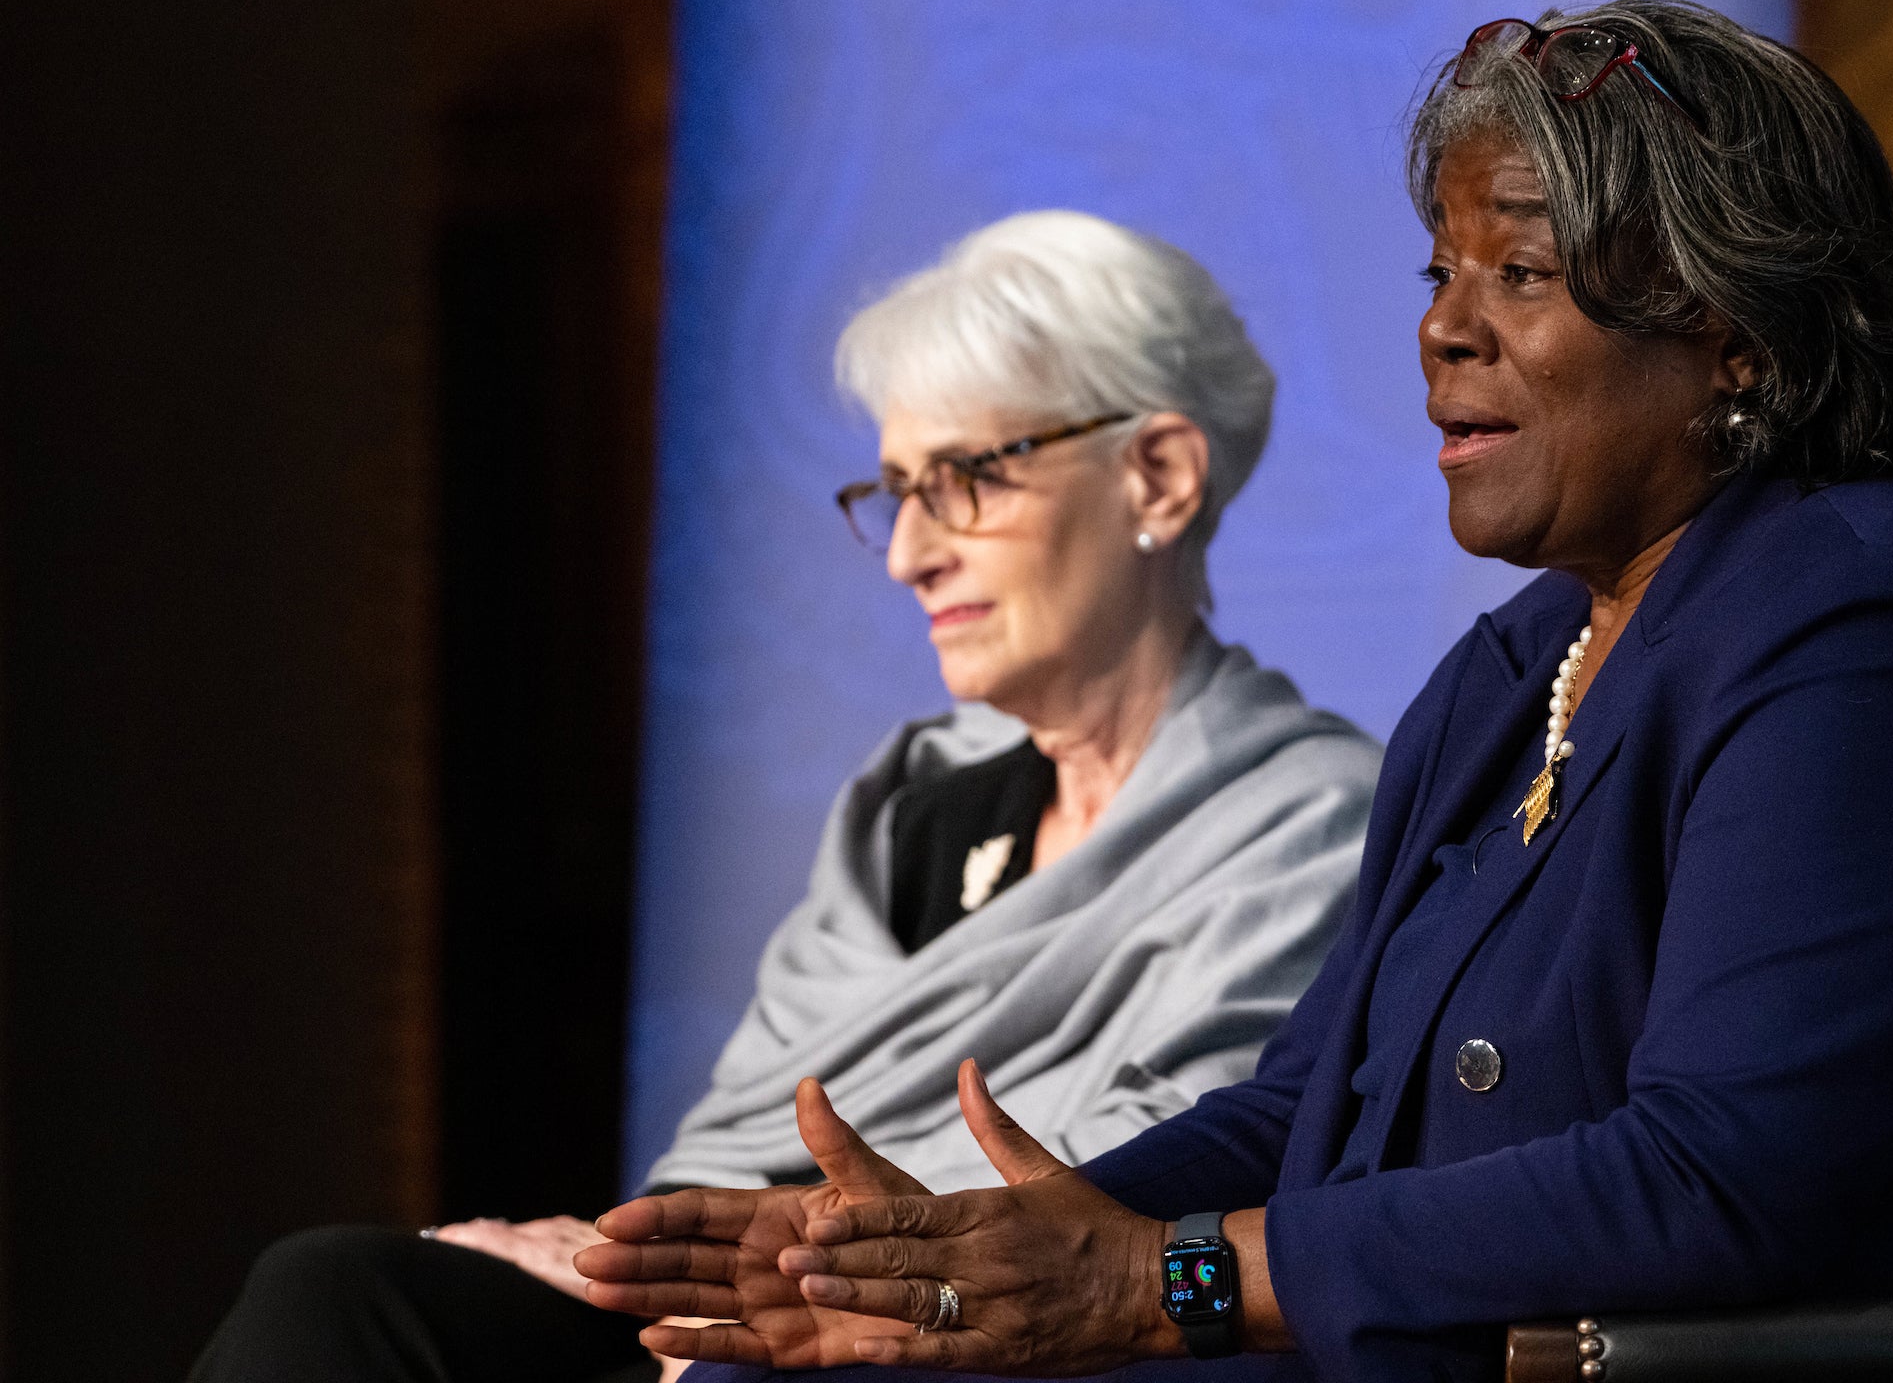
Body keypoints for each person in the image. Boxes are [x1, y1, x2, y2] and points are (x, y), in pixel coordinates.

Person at [575, 0, 1893, 1383]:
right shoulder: (1516, 669)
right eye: (1443, 271)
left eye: (1519, 271)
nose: (1443, 328)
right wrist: (970, 1265)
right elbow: (1318, 1107)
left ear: (1730, 329)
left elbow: (1715, 1181)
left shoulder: (1868, 631)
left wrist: (1152, 1285)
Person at [186, 210, 1383, 1383]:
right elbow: (743, 1139)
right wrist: (644, 1253)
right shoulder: (916, 805)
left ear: (1158, 477)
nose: (913, 549)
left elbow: (1137, 1178)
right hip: (783, 1282)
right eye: (897, 491)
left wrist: (781, 1253)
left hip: (999, 1328)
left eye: (966, 478)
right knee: (339, 1287)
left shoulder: (1315, 818)